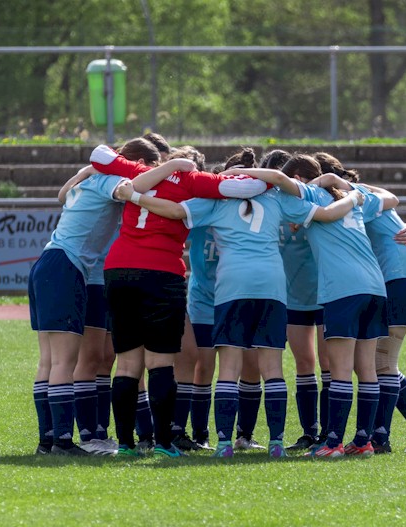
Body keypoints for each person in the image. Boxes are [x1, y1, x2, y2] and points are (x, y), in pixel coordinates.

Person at [118, 152, 366, 459]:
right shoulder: (274, 196)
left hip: (232, 285)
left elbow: (172, 211)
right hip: (272, 285)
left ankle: (223, 444)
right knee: (272, 367)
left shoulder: (217, 200)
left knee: (229, 368)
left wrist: (135, 197)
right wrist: (354, 197)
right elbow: (323, 213)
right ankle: (276, 442)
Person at [89, 142, 269, 458]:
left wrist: (160, 170)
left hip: (119, 269)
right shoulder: (193, 180)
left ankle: (126, 445)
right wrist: (240, 171)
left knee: (128, 362)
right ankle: (162, 443)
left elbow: (99, 155)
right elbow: (254, 186)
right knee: (161, 362)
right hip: (161, 271)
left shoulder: (139, 170)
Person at [223, 155, 398, 458]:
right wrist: (347, 187)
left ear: (299, 180)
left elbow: (280, 183)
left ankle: (332, 444)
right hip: (374, 287)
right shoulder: (353, 197)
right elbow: (390, 198)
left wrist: (240, 172)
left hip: (343, 288)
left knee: (341, 370)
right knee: (366, 369)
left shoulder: (309, 196)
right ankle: (363, 440)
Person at [29, 139, 194, 456]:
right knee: (64, 360)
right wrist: (171, 167)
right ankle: (62, 442)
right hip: (66, 266)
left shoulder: (93, 176)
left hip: (51, 263)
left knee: (50, 360)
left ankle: (48, 441)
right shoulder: (109, 180)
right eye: (151, 166)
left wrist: (88, 169)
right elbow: (131, 187)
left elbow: (63, 195)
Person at [313, 152, 406, 453]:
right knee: (378, 362)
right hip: (398, 274)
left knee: (382, 361)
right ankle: (381, 435)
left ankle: (403, 429)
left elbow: (389, 201)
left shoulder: (351, 198)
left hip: (398, 275)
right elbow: (393, 203)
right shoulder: (361, 193)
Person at [260, 149, 329, 452]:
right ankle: (309, 432)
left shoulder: (319, 200)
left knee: (329, 364)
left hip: (327, 292)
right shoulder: (273, 204)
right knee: (304, 362)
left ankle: (331, 432)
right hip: (292, 295)